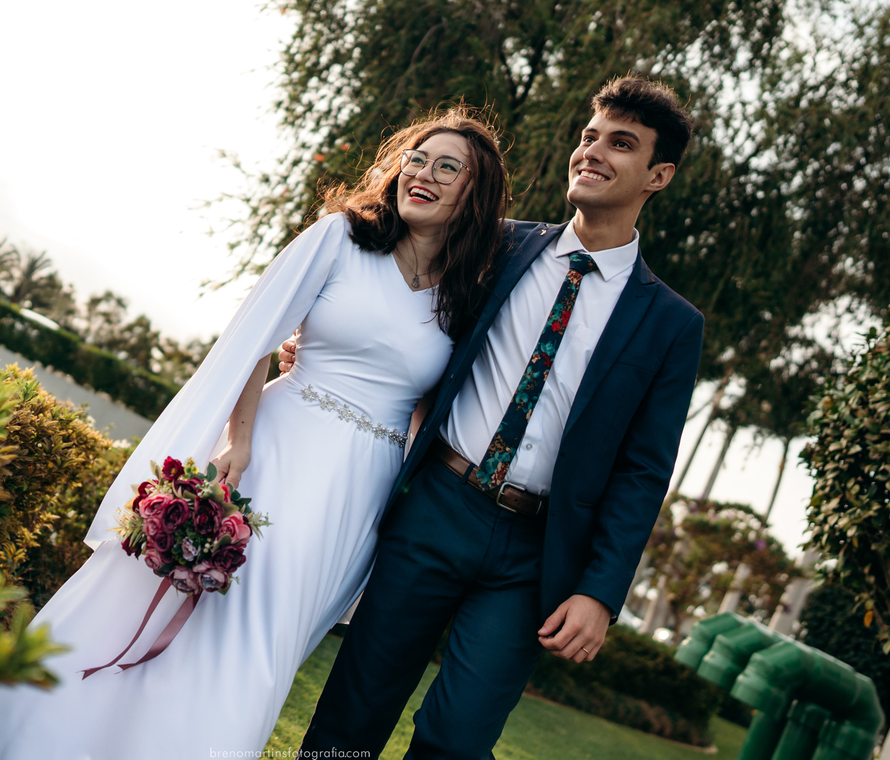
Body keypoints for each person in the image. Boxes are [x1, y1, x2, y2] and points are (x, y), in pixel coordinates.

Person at [0, 106, 510, 760]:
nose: (424, 175)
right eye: (417, 158)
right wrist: (237, 440)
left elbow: (433, 406)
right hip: (277, 451)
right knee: (202, 620)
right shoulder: (339, 238)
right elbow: (256, 338)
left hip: (357, 498)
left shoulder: (463, 297)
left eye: (447, 168)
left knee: (265, 651)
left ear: (475, 194)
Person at [287, 76, 705, 759]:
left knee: (457, 740)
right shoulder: (496, 247)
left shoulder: (670, 325)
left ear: (658, 175)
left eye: (620, 145)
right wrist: (327, 351)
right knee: (351, 717)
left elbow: (643, 470)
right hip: (434, 507)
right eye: (589, 137)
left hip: (533, 557)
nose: (593, 153)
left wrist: (600, 591)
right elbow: (404, 310)